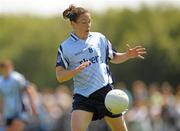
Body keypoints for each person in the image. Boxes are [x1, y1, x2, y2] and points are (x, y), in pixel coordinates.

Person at [56, 5, 146, 131]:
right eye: (83, 22)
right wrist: (74, 71)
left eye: (89, 22)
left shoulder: (99, 38)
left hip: (107, 94)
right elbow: (60, 76)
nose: (88, 25)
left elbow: (113, 57)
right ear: (73, 23)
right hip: (84, 96)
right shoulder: (65, 47)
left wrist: (127, 55)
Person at [0, 59, 37, 131]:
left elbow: (29, 89)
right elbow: (2, 97)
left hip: (20, 110)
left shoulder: (17, 78)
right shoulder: (1, 81)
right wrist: (2, 112)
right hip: (8, 112)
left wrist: (33, 105)